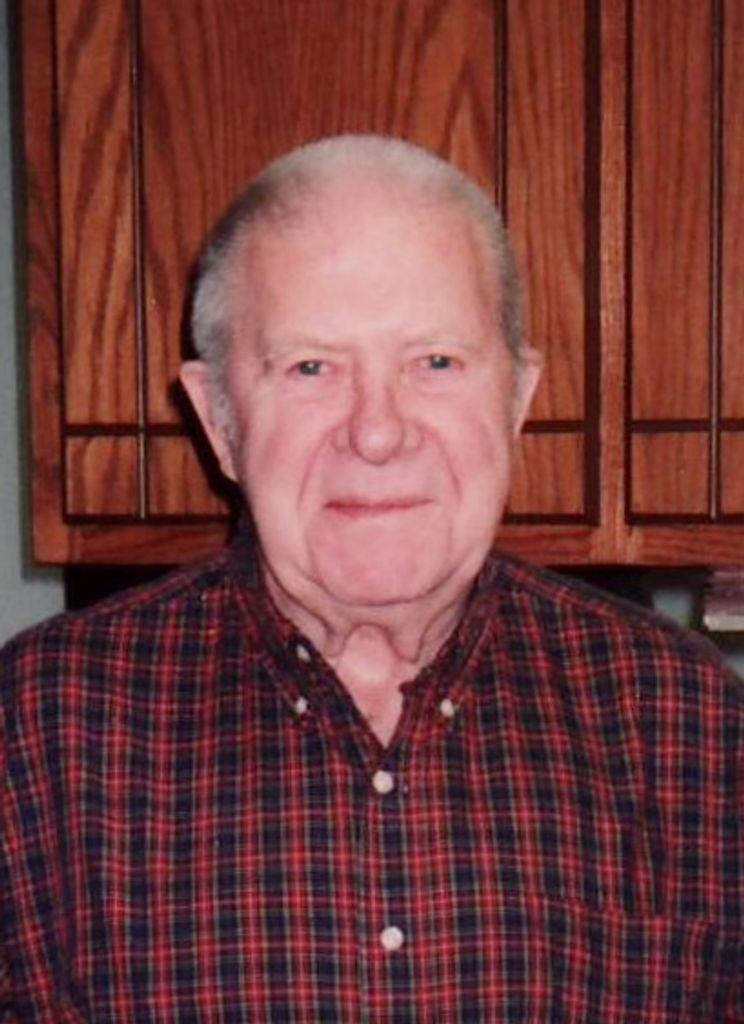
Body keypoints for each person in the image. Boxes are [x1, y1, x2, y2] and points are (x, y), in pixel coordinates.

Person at [1, 135, 742, 1022]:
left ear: (516, 399)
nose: (378, 433)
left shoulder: (693, 725)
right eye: (311, 367)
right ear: (220, 420)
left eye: (436, 362)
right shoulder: (36, 733)